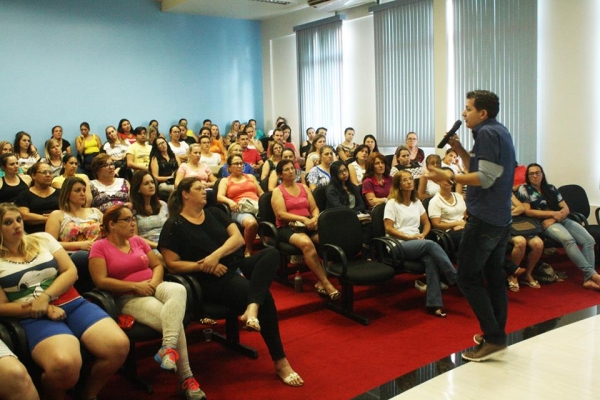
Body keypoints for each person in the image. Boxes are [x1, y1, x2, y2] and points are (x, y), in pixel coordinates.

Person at [159, 177, 304, 387]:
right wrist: (204, 266)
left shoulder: (215, 213)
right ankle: (280, 362)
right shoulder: (174, 225)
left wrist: (214, 256)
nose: (205, 191)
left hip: (233, 264)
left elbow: (238, 239)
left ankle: (251, 309)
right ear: (185, 194)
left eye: (204, 187)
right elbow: (172, 265)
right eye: (199, 188)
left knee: (270, 254)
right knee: (266, 297)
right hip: (210, 278)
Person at [0, 203, 129, 400]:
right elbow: (2, 307)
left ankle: (88, 394)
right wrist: (42, 308)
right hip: (34, 315)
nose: (17, 225)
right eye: (8, 222)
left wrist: (45, 297)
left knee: (118, 346)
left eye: (18, 219)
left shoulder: (43, 239)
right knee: (64, 364)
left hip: (73, 302)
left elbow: (71, 271)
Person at [427, 90, 516, 361]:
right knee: (494, 275)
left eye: (468, 109)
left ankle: (493, 336)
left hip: (485, 219)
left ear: (483, 113)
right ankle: (496, 335)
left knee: (466, 277)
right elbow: (481, 168)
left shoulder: (487, 133)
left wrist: (449, 176)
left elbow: (485, 178)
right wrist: (460, 150)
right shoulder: (497, 131)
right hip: (500, 217)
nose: (463, 113)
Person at [89, 205, 206, 399]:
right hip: (129, 296)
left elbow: (157, 265)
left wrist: (153, 282)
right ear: (111, 224)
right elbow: (100, 281)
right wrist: (135, 287)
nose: (132, 223)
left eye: (133, 219)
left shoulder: (136, 241)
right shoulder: (99, 247)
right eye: (127, 220)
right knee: (172, 320)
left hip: (153, 285)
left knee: (178, 289)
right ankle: (186, 379)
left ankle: (167, 348)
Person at [384, 170, 457, 317]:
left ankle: (434, 304)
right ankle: (454, 276)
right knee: (430, 245)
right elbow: (388, 228)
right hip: (398, 244)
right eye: (405, 180)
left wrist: (423, 234)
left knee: (430, 260)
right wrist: (409, 238)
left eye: (410, 179)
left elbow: (427, 223)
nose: (409, 182)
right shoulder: (392, 203)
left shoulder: (417, 202)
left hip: (416, 241)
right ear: (398, 185)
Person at [516, 163, 599, 290]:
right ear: (527, 176)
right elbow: (528, 212)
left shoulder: (551, 188)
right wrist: (552, 214)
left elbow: (565, 208)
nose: (535, 176)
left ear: (542, 174)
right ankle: (593, 274)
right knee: (568, 240)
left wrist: (554, 217)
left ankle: (589, 279)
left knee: (589, 240)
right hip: (543, 223)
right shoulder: (524, 189)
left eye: (537, 173)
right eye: (531, 173)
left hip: (560, 219)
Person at [272, 160, 340, 300]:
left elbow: (314, 208)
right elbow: (280, 214)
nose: (291, 171)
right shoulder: (277, 191)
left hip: (308, 224)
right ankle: (326, 283)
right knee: (307, 244)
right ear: (280, 174)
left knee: (330, 241)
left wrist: (315, 218)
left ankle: (321, 280)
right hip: (288, 227)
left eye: (292, 168)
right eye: (286, 169)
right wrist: (303, 219)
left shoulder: (303, 187)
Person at [217, 154, 264, 257]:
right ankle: (248, 249)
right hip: (240, 209)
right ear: (229, 167)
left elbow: (261, 193)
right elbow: (219, 197)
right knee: (251, 223)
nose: (239, 166)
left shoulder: (251, 177)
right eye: (236, 164)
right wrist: (230, 202)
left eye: (241, 163)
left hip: (256, 206)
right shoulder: (225, 181)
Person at [326, 161, 372, 258]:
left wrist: (355, 213)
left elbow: (362, 205)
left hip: (355, 215)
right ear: (334, 175)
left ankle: (366, 252)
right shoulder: (331, 189)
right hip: (338, 218)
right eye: (340, 172)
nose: (344, 173)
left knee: (371, 222)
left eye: (345, 170)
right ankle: (361, 253)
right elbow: (339, 208)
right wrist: (354, 213)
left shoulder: (352, 186)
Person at [130, 171, 169, 259]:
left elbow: (171, 228)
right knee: (168, 258)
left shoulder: (163, 205)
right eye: (146, 183)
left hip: (167, 244)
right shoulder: (132, 210)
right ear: (138, 189)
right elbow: (134, 237)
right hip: (147, 247)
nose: (151, 186)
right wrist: (157, 245)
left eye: (152, 182)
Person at [15, 162, 61, 233]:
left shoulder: (60, 193)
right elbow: (24, 216)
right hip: (34, 232)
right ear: (33, 175)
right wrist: (51, 218)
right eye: (44, 172)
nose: (48, 175)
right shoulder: (24, 195)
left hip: (60, 230)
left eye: (50, 172)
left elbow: (68, 212)